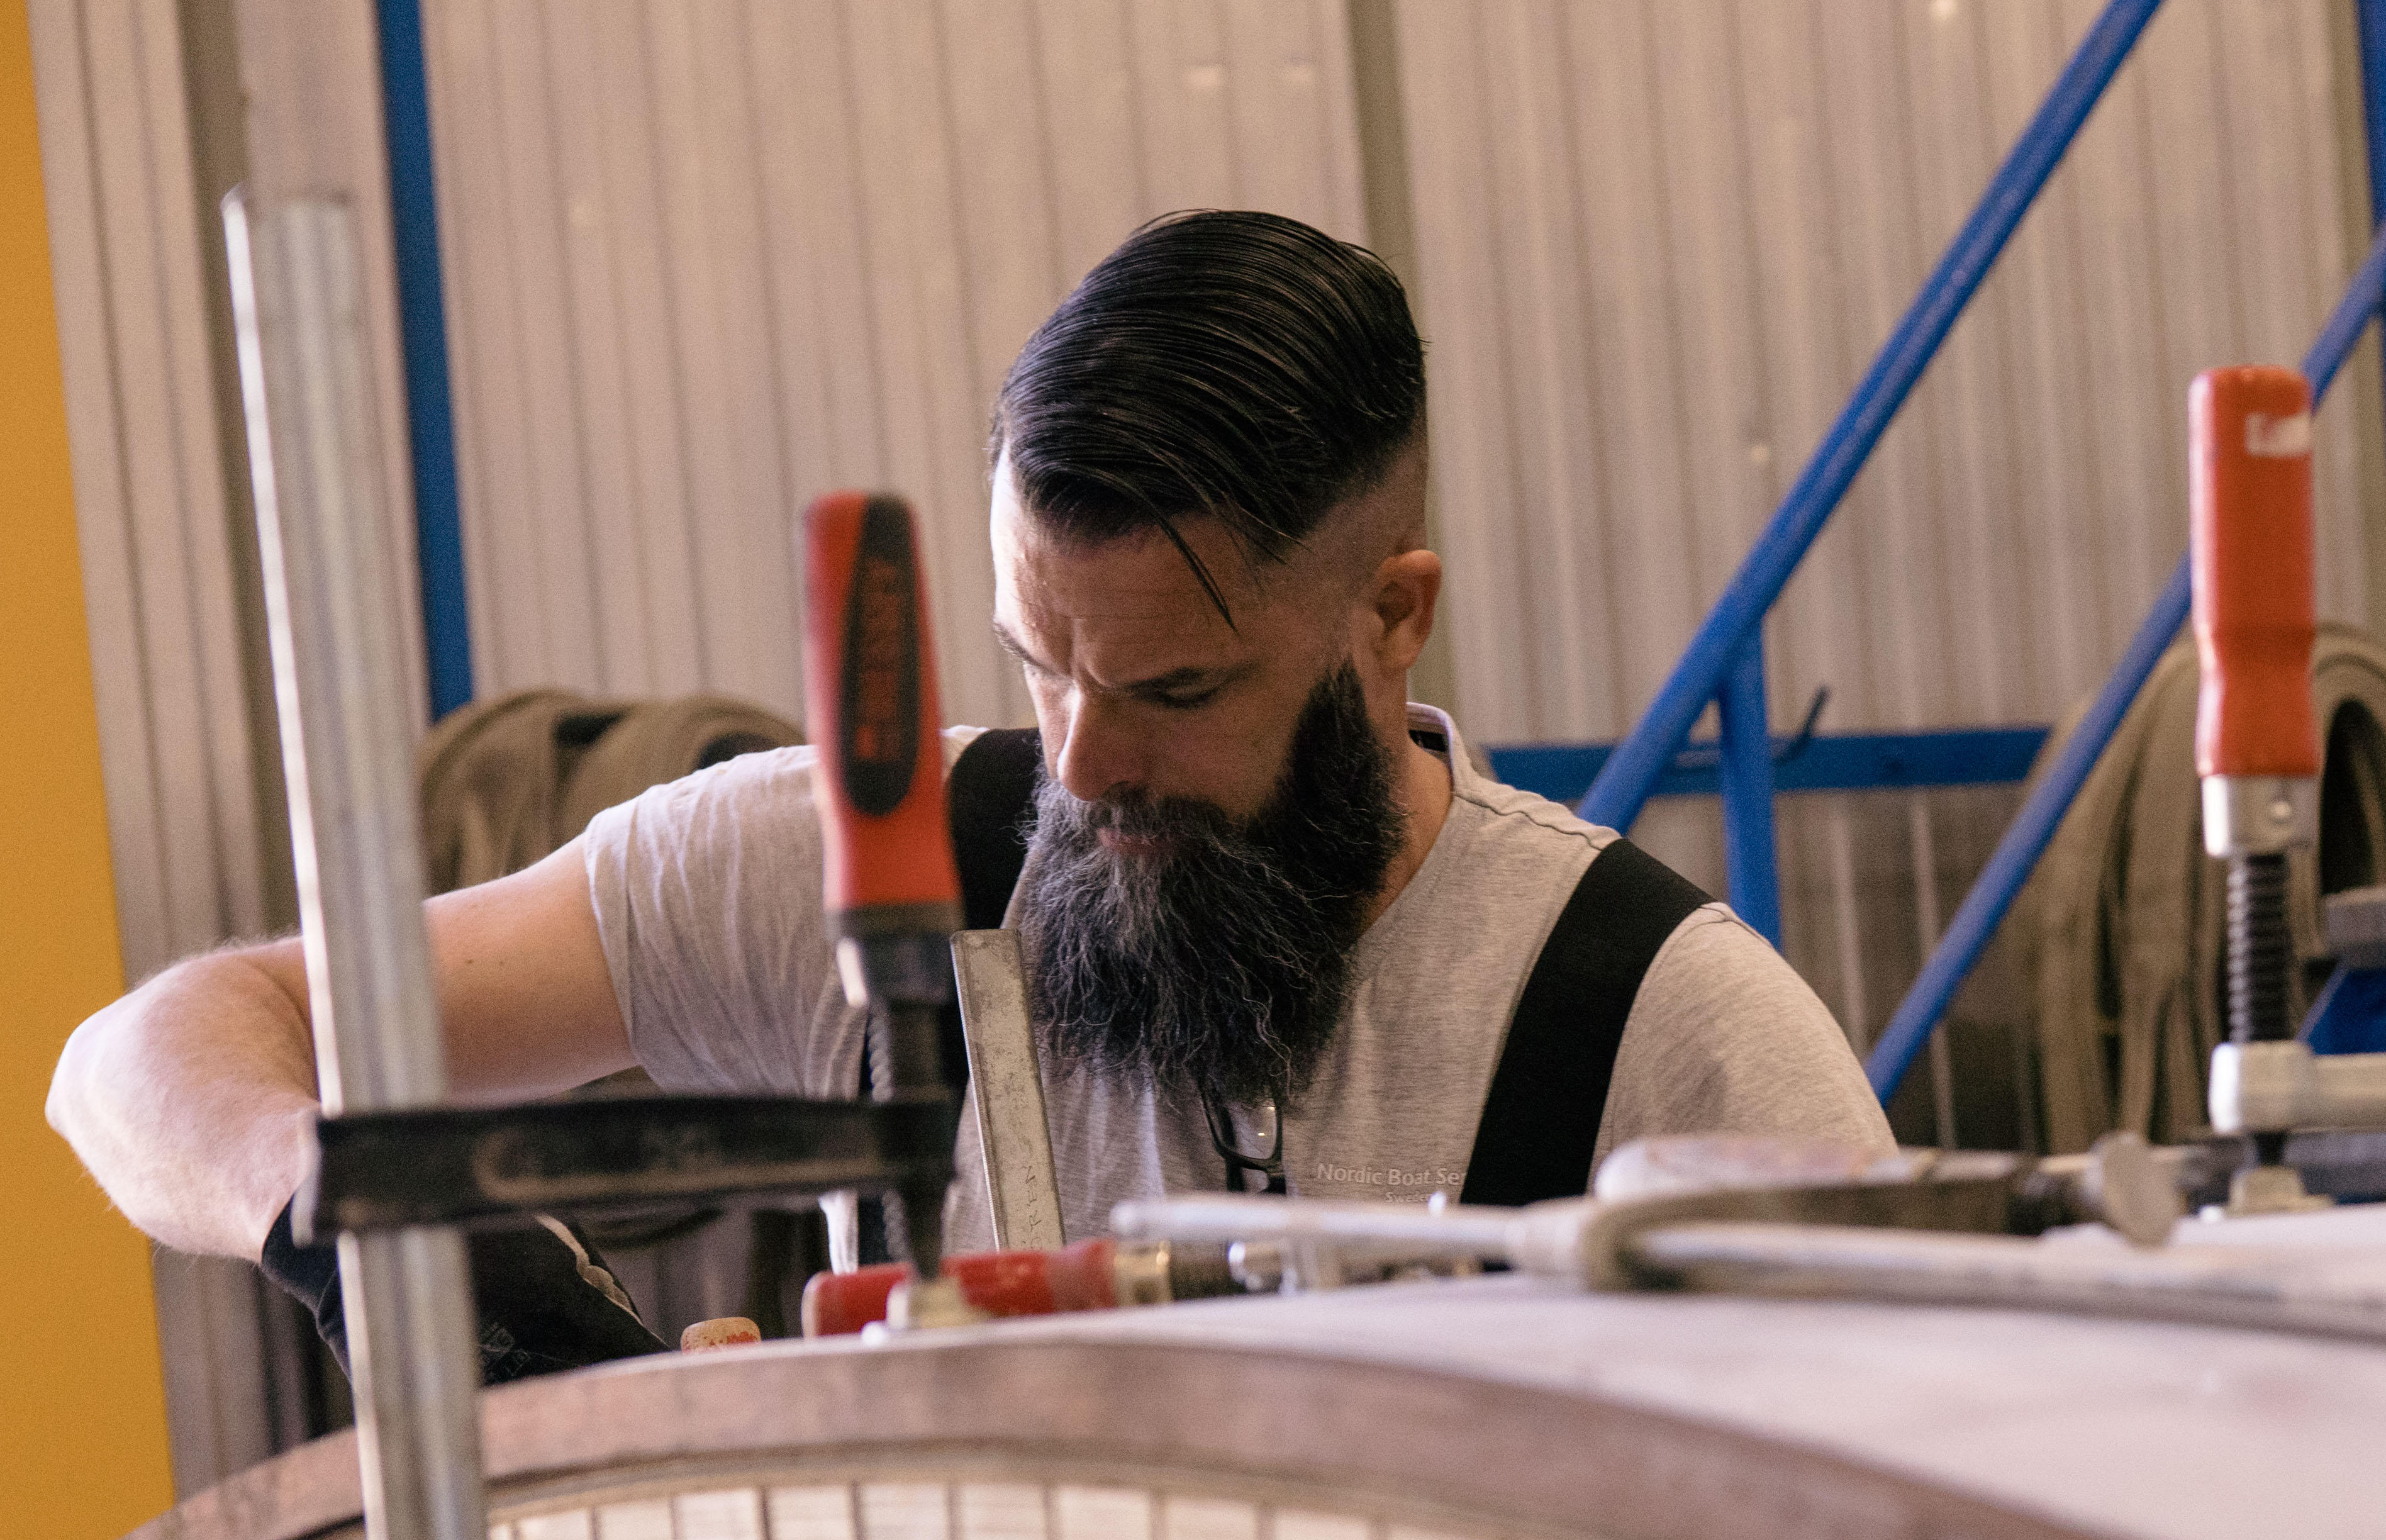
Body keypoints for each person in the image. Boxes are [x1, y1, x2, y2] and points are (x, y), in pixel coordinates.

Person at [45, 208, 1883, 1353]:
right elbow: (142, 1055)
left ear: (1391, 617)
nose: (1085, 761)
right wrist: (347, 1223)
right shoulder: (900, 868)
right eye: (1038, 660)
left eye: (1176, 685)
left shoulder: (1663, 1027)